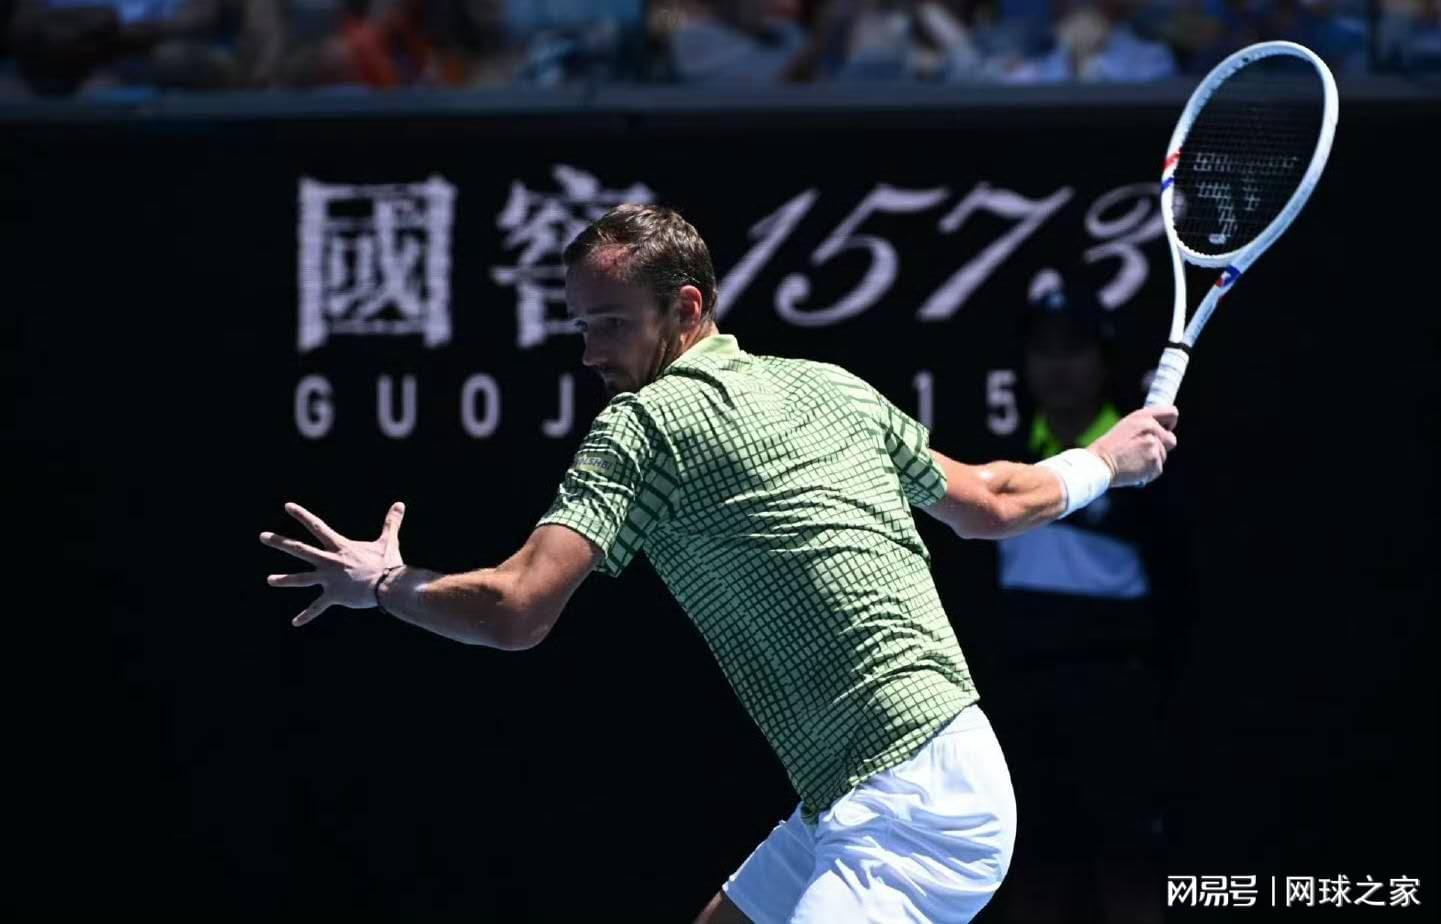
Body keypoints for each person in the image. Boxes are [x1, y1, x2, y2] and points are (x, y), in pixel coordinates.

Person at [259, 204, 1180, 923]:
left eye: (610, 323)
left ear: (687, 308)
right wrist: (1105, 460)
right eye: (581, 326)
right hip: (885, 785)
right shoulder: (828, 387)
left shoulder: (640, 426)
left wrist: (386, 586)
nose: (590, 353)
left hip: (908, 804)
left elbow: (515, 610)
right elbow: (995, 503)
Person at [981, 281, 1193, 923]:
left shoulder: (1152, 464)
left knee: (1131, 871)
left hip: (1118, 696)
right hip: (1021, 695)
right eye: (1043, 350)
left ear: (1103, 361)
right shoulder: (1002, 461)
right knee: (1030, 873)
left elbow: (1183, 592)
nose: (1058, 366)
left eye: (1073, 349)